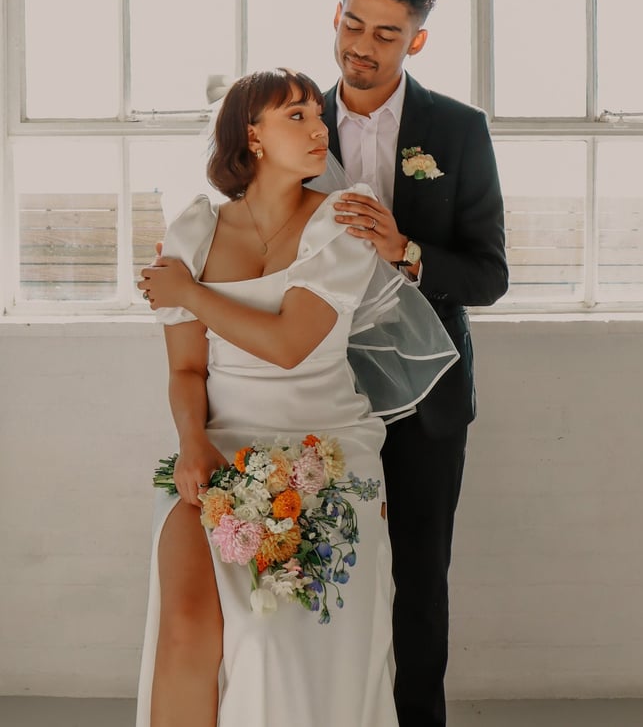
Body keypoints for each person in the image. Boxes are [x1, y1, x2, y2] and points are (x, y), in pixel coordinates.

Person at [134, 67, 456, 727]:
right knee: (186, 629)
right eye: (297, 116)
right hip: (218, 449)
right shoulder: (195, 229)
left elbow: (289, 345)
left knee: (272, 644)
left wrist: (188, 292)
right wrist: (192, 445)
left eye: (317, 114)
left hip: (324, 451)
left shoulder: (344, 219)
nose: (319, 129)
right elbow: (187, 369)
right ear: (252, 136)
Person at [324, 0, 509, 727]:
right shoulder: (292, 117)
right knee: (321, 564)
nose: (362, 46)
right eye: (354, 24)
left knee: (420, 575)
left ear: (417, 42)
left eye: (386, 34)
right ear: (335, 17)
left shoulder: (458, 130)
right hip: (319, 385)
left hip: (428, 396)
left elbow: (489, 274)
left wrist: (406, 251)